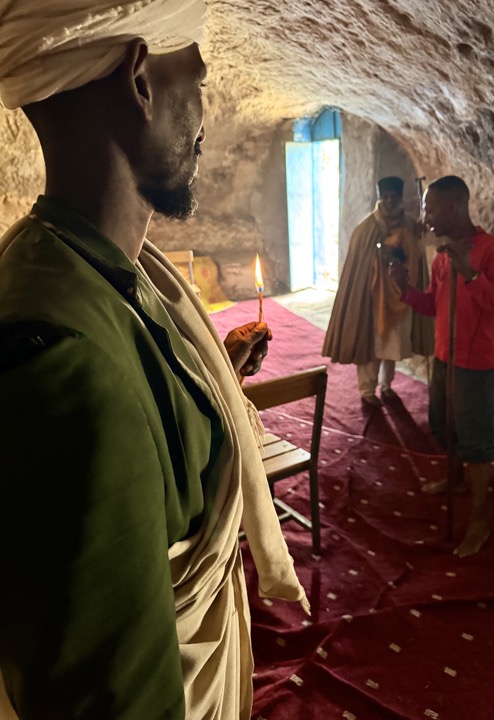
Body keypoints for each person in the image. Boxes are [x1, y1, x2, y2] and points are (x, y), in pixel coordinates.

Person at [0, 2, 308, 719]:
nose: (206, 116)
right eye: (197, 82)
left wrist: (213, 380)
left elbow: (142, 435)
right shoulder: (57, 364)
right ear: (140, 82)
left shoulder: (85, 265)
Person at [391, 175, 494, 558]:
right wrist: (406, 290)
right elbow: (433, 305)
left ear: (454, 208)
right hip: (445, 357)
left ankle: (479, 520)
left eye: (431, 208)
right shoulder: (443, 254)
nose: (425, 216)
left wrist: (471, 273)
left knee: (477, 441)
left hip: (477, 365)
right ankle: (456, 480)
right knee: (445, 428)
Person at [322, 176, 432, 406]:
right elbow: (359, 265)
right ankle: (367, 390)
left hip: (401, 294)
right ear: (380, 197)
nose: (390, 201)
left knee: (393, 342)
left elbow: (419, 256)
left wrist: (416, 238)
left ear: (400, 198)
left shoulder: (410, 224)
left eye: (394, 197)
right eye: (386, 197)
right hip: (373, 296)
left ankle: (386, 384)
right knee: (371, 343)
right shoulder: (367, 229)